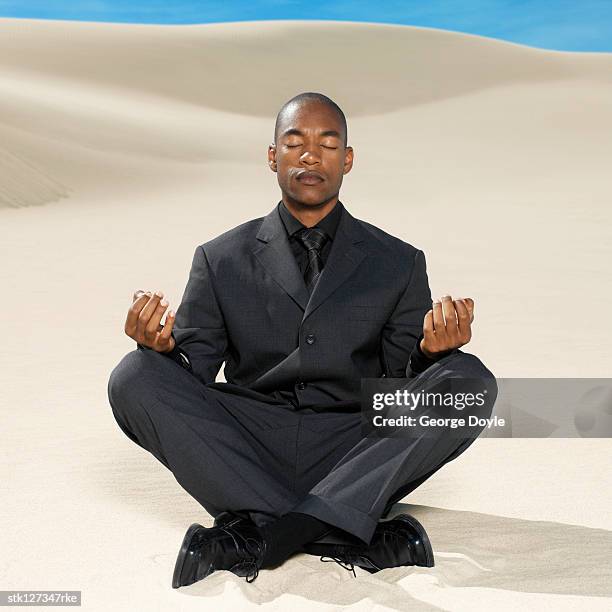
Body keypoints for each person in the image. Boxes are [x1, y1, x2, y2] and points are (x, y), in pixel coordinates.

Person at [107, 92, 497, 588]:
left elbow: (401, 382)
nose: (311, 156)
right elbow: (191, 375)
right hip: (250, 442)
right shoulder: (220, 257)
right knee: (135, 375)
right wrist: (160, 349)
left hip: (354, 442)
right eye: (295, 144)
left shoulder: (399, 260)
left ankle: (263, 535)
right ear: (273, 157)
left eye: (328, 144)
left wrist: (432, 352)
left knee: (469, 381)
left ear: (348, 160)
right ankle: (342, 527)